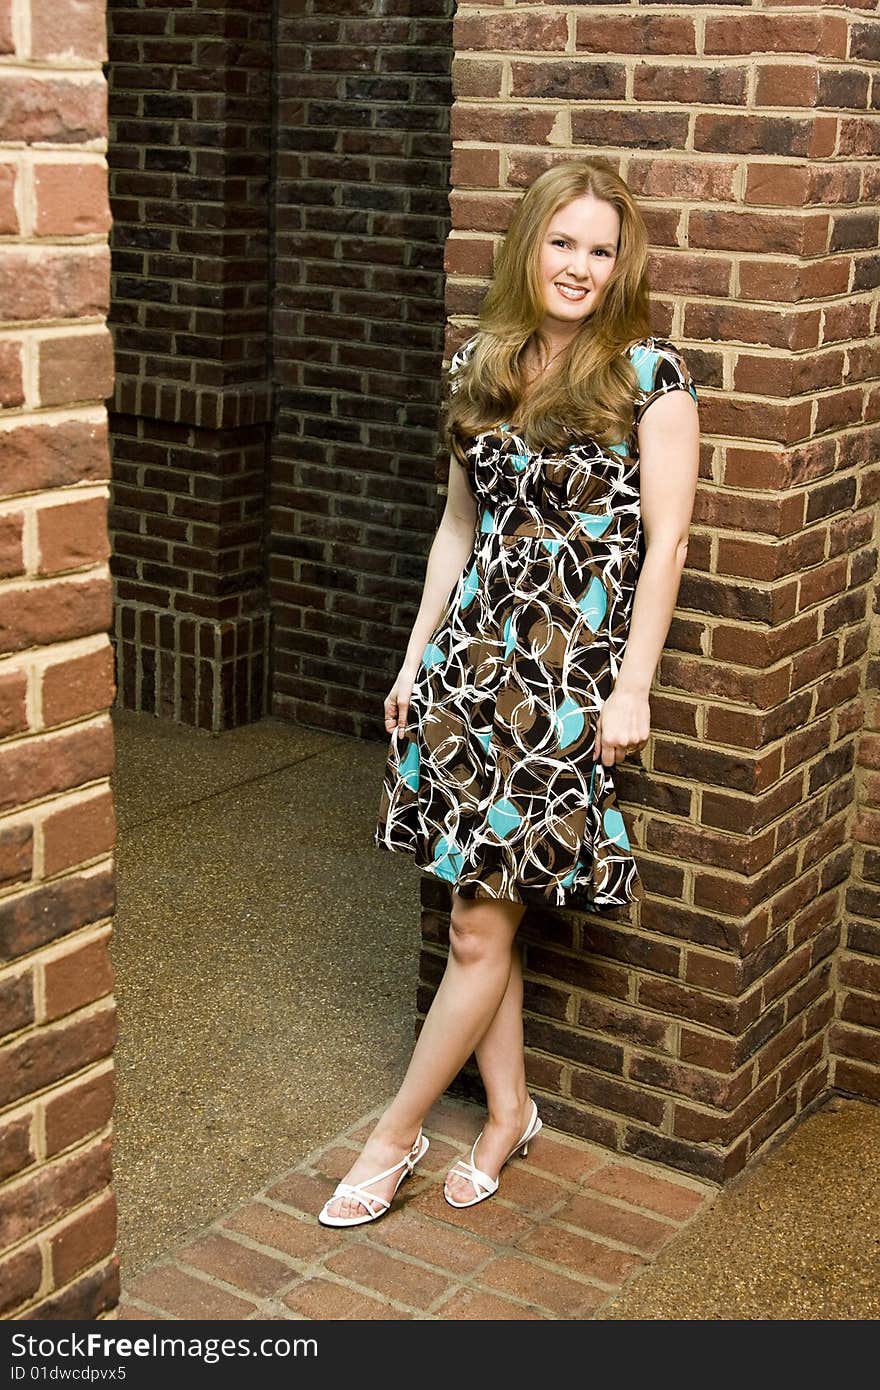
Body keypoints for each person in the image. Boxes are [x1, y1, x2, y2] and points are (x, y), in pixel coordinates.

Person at [318, 158, 700, 1227]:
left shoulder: (649, 376)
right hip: (471, 667)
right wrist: (412, 660)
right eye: (563, 242)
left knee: (481, 926)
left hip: (568, 685)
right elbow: (459, 527)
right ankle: (510, 1112)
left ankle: (391, 1135)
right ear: (529, 245)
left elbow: (666, 545)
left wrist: (634, 689)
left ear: (621, 267)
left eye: (601, 249)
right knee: (476, 916)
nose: (579, 267)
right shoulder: (481, 361)